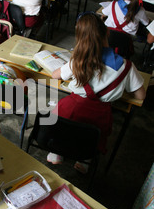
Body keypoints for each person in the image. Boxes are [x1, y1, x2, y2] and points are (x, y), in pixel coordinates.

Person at [47, 13, 146, 172]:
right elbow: (141, 96)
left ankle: (57, 152)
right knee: (90, 135)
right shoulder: (126, 66)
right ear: (107, 32)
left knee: (64, 122)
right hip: (99, 116)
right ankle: (84, 159)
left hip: (71, 109)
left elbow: (55, 75)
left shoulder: (78, 60)